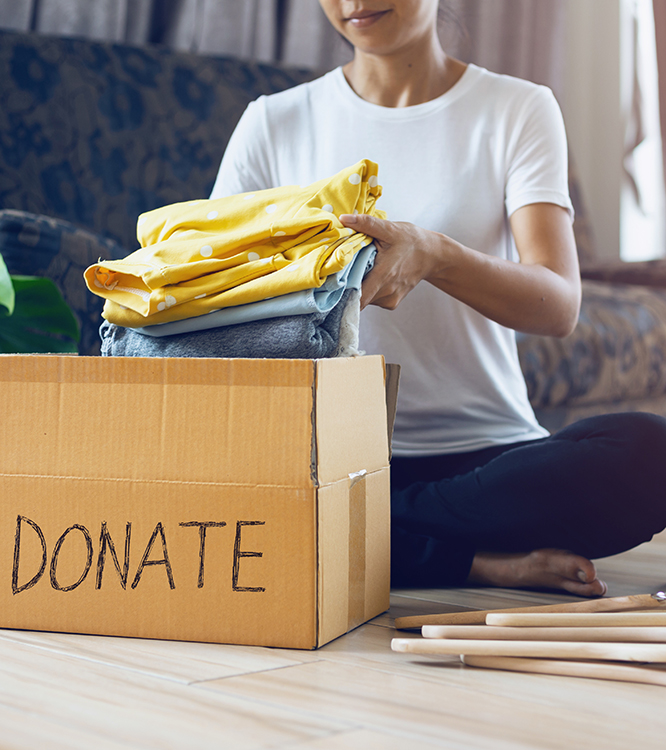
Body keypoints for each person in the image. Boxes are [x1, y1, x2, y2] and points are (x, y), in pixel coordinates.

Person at [210, 0, 666, 596]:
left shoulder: (518, 108)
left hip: (487, 460)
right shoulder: (273, 122)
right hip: (336, 452)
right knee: (232, 478)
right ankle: (473, 560)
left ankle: (365, 529)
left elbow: (558, 306)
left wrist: (436, 255)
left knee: (650, 452)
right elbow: (212, 297)